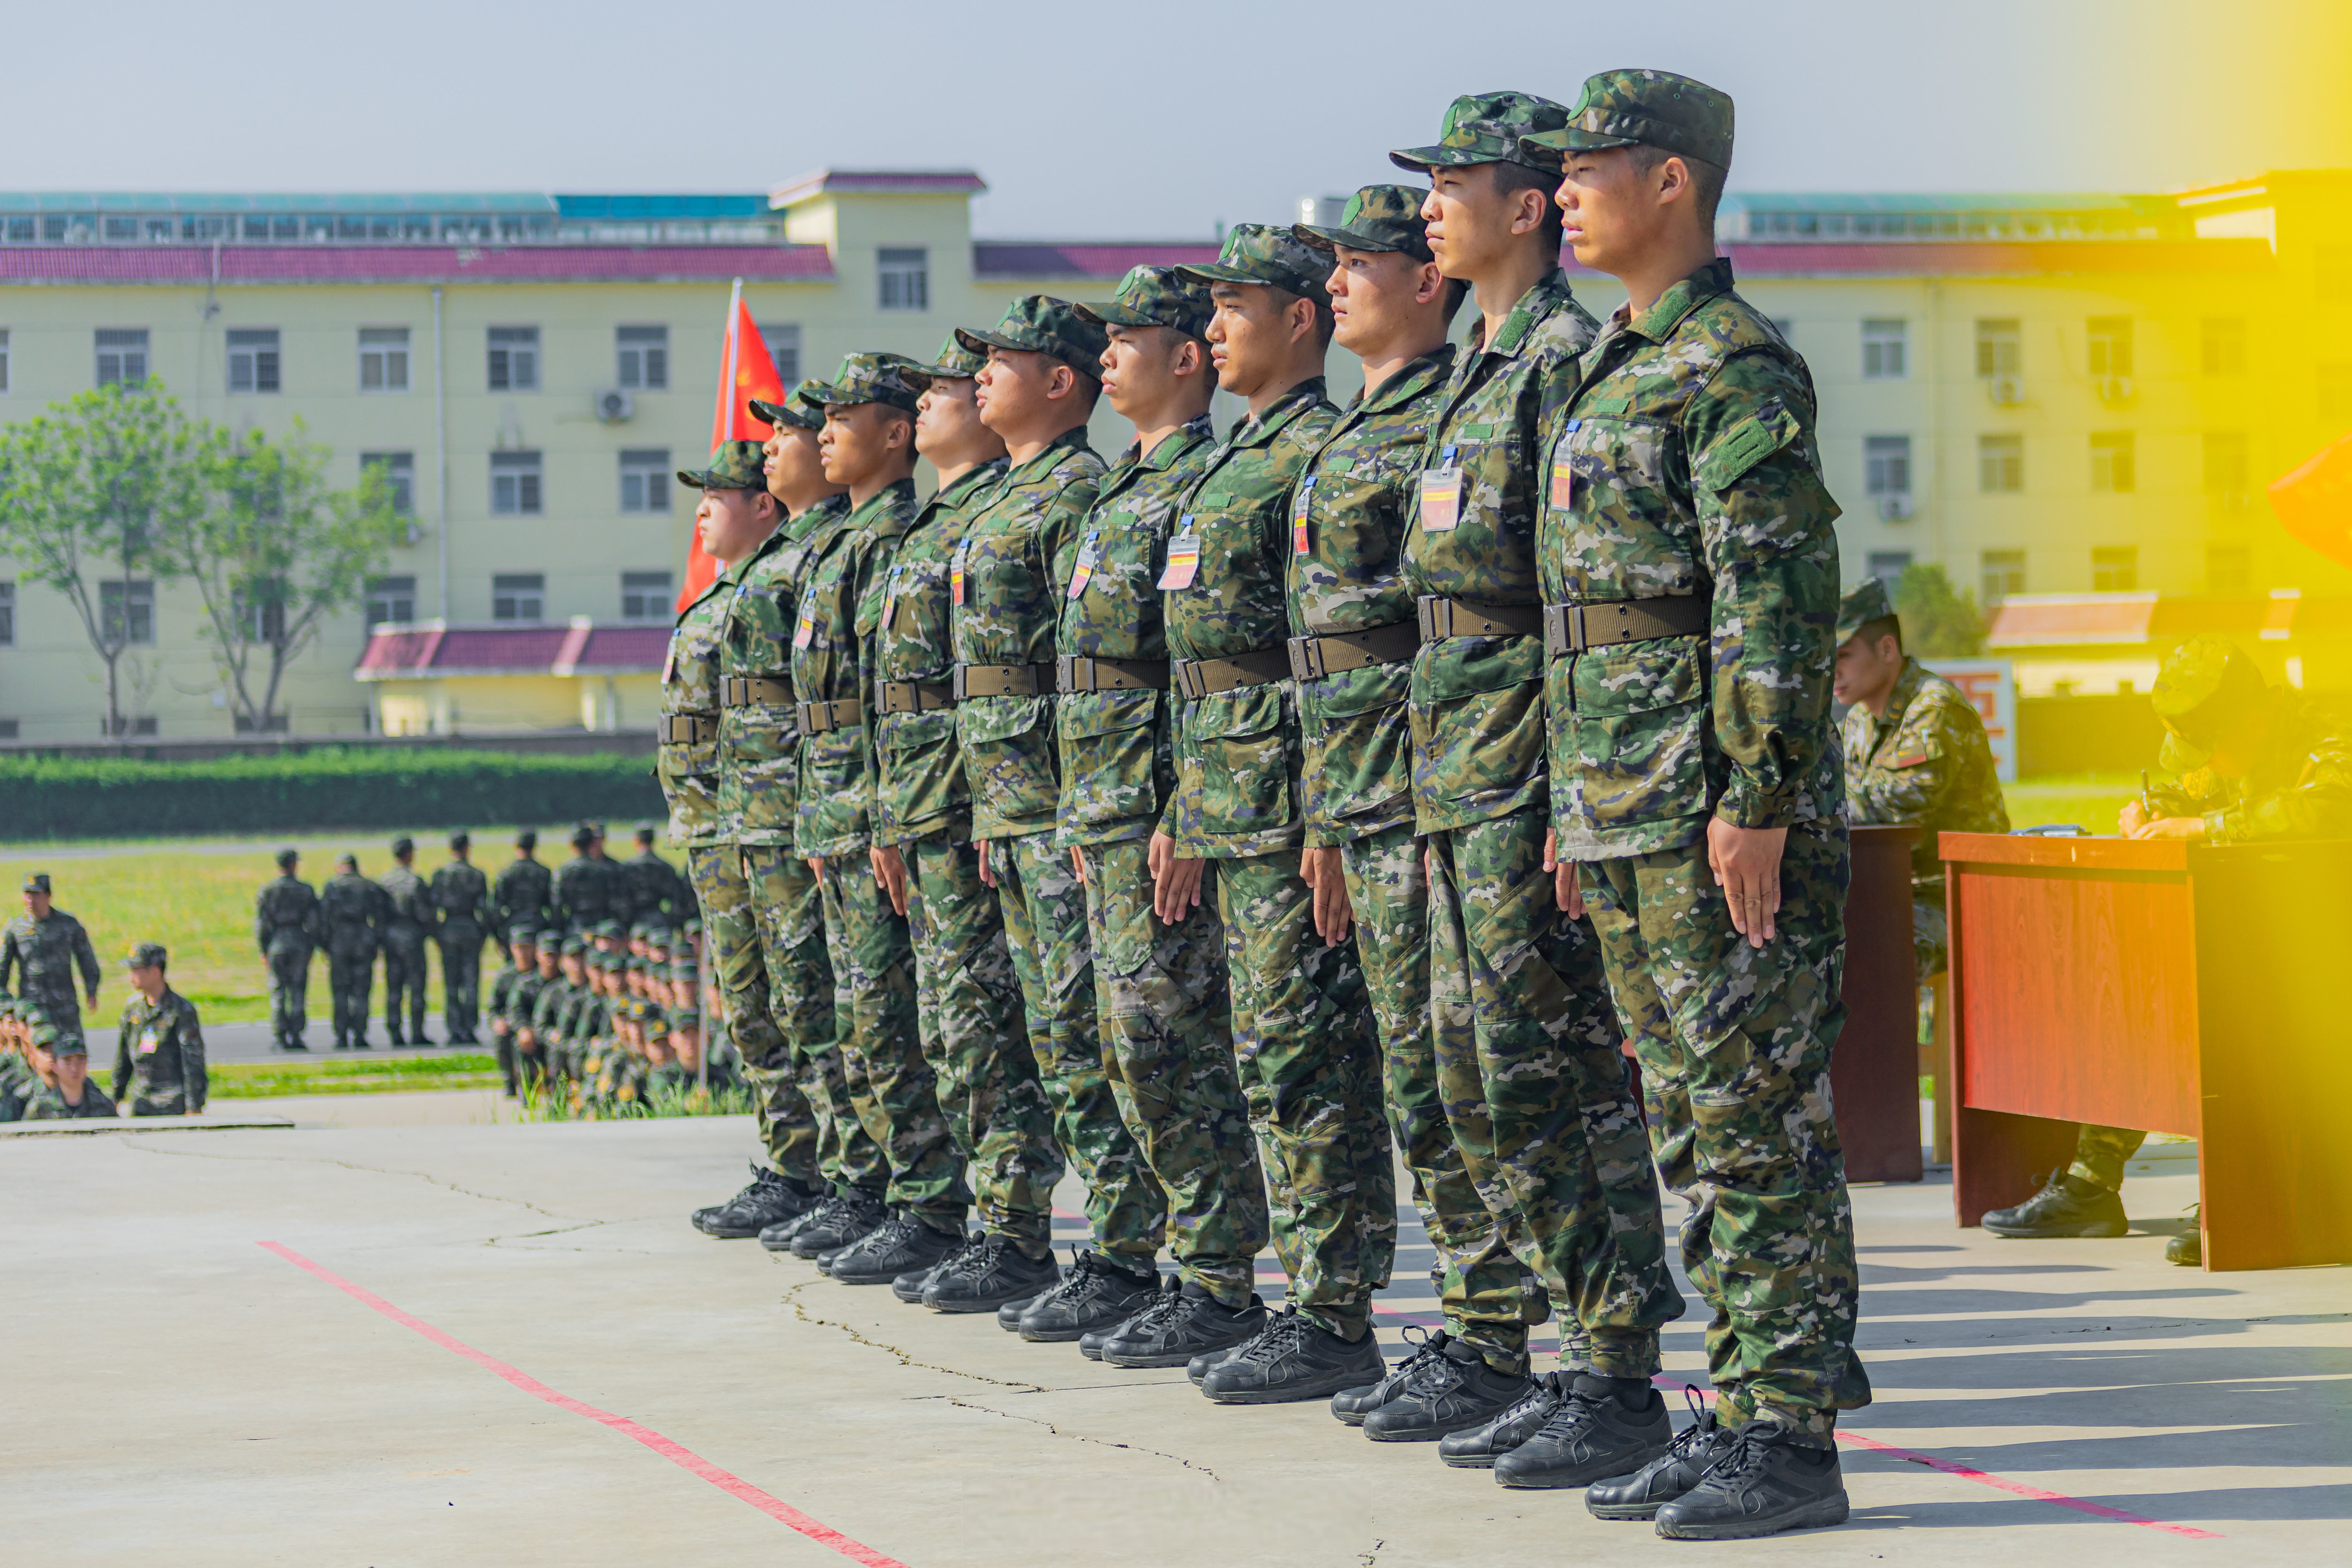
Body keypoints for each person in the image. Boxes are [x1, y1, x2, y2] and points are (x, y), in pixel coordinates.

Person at [1529, 70, 1856, 1537]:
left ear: (1675, 181)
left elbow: (1775, 598)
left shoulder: (1730, 361)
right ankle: (1738, 1405)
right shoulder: (1618, 359)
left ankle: (1786, 1441)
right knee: (1689, 1120)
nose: (1569, 186)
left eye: (1596, 163)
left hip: (1706, 807)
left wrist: (1761, 795)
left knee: (1750, 1118)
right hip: (1624, 799)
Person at [1375, 89, 1680, 1457]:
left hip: (1527, 759)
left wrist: (1568, 782)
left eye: (1453, 182)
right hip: (1451, 761)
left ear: (1520, 208)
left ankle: (1612, 1363)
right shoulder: (1468, 371)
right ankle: (1552, 1344)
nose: (1428, 206)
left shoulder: (1564, 354)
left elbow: (1571, 588)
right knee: (1472, 1068)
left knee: (1548, 1066)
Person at [1127, 221, 1398, 1393]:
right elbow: (1198, 664)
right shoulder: (1231, 460)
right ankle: (1255, 1285)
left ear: (1298, 319)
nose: (1214, 325)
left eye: (1234, 304)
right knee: (1249, 1054)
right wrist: (1184, 799)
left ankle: (1331, 1309)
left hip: (1293, 803)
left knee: (1304, 1058)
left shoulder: (1311, 451)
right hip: (1225, 794)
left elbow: (1321, 654)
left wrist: (1322, 813)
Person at [1278, 188, 1530, 1415]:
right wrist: (1333, 803)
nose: (1339, 285)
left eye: (1360, 262)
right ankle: (1477, 1333)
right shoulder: (1366, 427)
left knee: (1492, 1079)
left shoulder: (1475, 398)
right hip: (1379, 783)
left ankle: (1511, 1340)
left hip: (1461, 779)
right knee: (1425, 1075)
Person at [1040, 268, 1263, 1348]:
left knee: (1173, 1047)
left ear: (1184, 359)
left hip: (1161, 812)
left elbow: (1199, 664)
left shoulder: (1198, 479)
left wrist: (1180, 801)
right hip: (1106, 810)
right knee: (1125, 1047)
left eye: (1128, 338)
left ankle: (1216, 1277)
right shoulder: (1122, 489)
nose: (1107, 356)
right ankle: (1169, 1264)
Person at [1989, 634, 2352, 1261]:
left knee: (2235, 1026)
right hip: (2258, 950)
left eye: (2210, 742)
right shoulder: (2237, 747)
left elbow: (2324, 808)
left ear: (2253, 717)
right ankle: (2091, 1185)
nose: (2205, 758)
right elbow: (2188, 788)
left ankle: (2252, 1194)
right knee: (2134, 1005)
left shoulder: (2325, 739)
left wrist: (2209, 827)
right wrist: (2147, 808)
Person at [954, 297, 1173, 1320]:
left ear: (1060, 382)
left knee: (1091, 1040)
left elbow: (1083, 667)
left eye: (1003, 360)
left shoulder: (1073, 495)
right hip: (1013, 807)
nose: (979, 378)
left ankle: (1126, 1249)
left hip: (1061, 805)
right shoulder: (1014, 497)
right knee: (1050, 1034)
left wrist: (1074, 806)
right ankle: (1088, 1243)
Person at [872, 334, 1069, 1312]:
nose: (965, 392)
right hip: (953, 800)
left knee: (1032, 1032)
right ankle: (982, 1220)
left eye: (944, 388)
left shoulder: (1056, 497)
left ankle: (1027, 1233)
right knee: (960, 1027)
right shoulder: (957, 519)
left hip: (1012, 801)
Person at [787, 353, 974, 1289]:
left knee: (899, 1016)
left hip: (885, 808)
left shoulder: (892, 535)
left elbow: (888, 701)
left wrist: (872, 815)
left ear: (893, 433)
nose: (822, 431)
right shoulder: (855, 538)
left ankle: (927, 1199)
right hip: (847, 809)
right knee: (862, 1014)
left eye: (841, 415)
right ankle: (889, 1190)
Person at [691, 415, 879, 1250]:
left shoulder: (819, 557)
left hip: (789, 818)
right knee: (768, 1009)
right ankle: (799, 1164)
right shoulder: (760, 573)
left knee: (816, 1003)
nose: (704, 512)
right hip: (743, 820)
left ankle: (844, 1173)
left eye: (719, 496)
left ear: (763, 506)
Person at [1834, 577, 2008, 980]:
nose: (1832, 669)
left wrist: (1810, 806)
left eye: (1843, 654)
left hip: (1955, 894)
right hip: (1891, 888)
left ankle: (1893, 1046)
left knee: (1866, 947)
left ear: (1887, 649)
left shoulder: (1934, 706)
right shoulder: (1858, 719)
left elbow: (1896, 812)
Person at [111, 941, 206, 1117]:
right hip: (141, 1100)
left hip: (172, 1101)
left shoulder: (180, 1010)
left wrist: (194, 1106)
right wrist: (115, 1098)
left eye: (136, 971)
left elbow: (192, 1062)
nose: (130, 977)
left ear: (155, 972)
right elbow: (123, 1058)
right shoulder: (133, 1011)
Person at [2, 873, 101, 1039]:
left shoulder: (68, 925)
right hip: (31, 1005)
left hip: (65, 1005)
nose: (30, 900)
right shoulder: (15, 929)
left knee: (71, 1052)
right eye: (27, 894)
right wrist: (5, 1006)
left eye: (36, 894)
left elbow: (86, 958)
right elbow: (2, 967)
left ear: (48, 896)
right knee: (37, 1055)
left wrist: (91, 990)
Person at [429, 831, 492, 1045]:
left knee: (451, 983)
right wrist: (482, 934)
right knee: (471, 982)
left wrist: (438, 934)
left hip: (449, 928)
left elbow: (432, 909)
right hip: (470, 927)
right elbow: (485, 910)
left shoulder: (441, 875)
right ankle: (469, 1028)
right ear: (467, 848)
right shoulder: (476, 875)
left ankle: (454, 1029)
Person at [255, 849, 320, 1051]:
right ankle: (297, 1035)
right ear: (294, 864)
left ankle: (280, 1035)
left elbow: (262, 924)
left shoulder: (267, 890)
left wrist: (263, 950)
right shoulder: (305, 890)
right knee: (298, 991)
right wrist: (311, 946)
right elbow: (314, 923)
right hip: (299, 941)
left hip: (277, 942)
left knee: (278, 991)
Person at [319, 853, 385, 1051]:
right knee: (362, 991)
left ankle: (340, 1036)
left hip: (339, 939)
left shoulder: (332, 886)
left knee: (340, 991)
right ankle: (360, 1034)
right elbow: (380, 917)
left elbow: (323, 919)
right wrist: (377, 943)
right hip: (363, 938)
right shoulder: (369, 886)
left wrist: (325, 945)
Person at [378, 836, 435, 1047]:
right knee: (417, 987)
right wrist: (428, 932)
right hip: (412, 935)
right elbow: (424, 914)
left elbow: (379, 914)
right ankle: (417, 1032)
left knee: (394, 987)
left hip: (392, 936)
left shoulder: (385, 881)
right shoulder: (416, 881)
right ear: (409, 854)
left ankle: (395, 1032)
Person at [485, 924, 539, 1096]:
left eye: (527, 947)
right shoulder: (505, 976)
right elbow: (493, 1007)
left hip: (536, 1023)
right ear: (512, 949)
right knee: (501, 1037)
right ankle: (509, 1079)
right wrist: (496, 1021)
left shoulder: (541, 973)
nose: (522, 953)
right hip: (513, 1024)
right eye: (518, 948)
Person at [22, 1024, 117, 1120]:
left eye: (81, 1060)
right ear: (55, 1066)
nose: (74, 1068)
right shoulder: (40, 1109)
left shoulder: (103, 1105)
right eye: (67, 1061)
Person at [553, 823, 622, 940]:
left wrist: (560, 928)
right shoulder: (605, 870)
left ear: (571, 844)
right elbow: (615, 903)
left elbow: (557, 905)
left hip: (575, 926)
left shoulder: (563, 872)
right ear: (591, 844)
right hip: (602, 927)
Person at [493, 831, 553, 960]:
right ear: (534, 846)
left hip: (513, 925)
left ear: (516, 846)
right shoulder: (544, 873)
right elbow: (553, 906)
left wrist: (499, 935)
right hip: (538, 924)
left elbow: (496, 909)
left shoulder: (506, 873)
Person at [621, 824, 688, 928]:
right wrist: (673, 922)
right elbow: (678, 900)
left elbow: (621, 901)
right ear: (654, 841)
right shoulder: (666, 867)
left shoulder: (627, 868)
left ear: (636, 841)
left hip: (636, 923)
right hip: (660, 920)